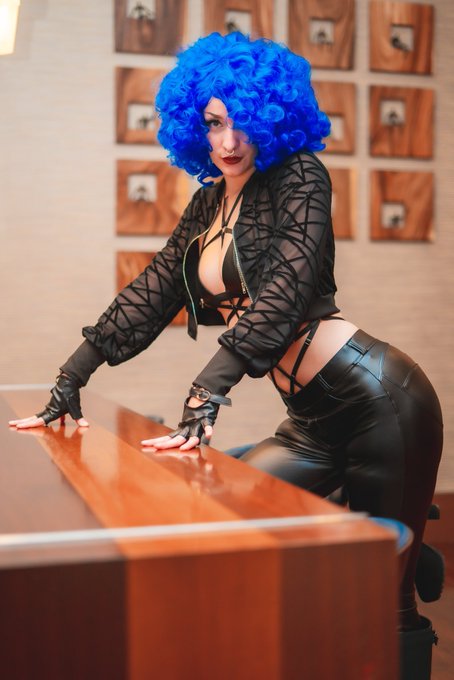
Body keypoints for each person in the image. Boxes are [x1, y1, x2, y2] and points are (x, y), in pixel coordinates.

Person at [9, 32, 442, 642]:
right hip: (309, 420)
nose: (229, 142)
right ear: (196, 126)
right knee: (229, 517)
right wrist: (70, 375)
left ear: (273, 118)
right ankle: (407, 542)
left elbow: (285, 291)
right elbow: (153, 289)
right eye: (214, 124)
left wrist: (207, 390)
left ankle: (404, 556)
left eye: (243, 123)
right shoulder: (207, 204)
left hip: (381, 401)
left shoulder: (301, 177)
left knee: (381, 607)